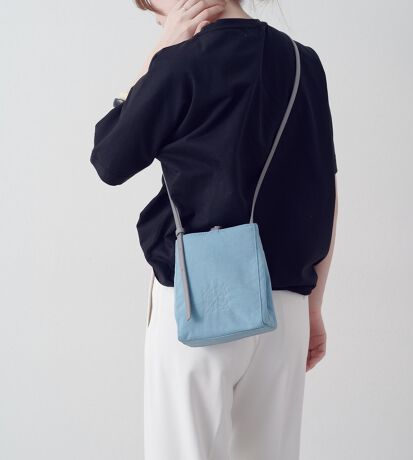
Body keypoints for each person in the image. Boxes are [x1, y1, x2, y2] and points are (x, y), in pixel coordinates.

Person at [90, 0, 338, 458]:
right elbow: (326, 190)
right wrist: (314, 307)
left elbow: (109, 158)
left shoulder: (178, 62)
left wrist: (159, 53)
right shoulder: (304, 62)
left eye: (157, 14)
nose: (162, 24)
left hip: (198, 301)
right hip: (285, 310)